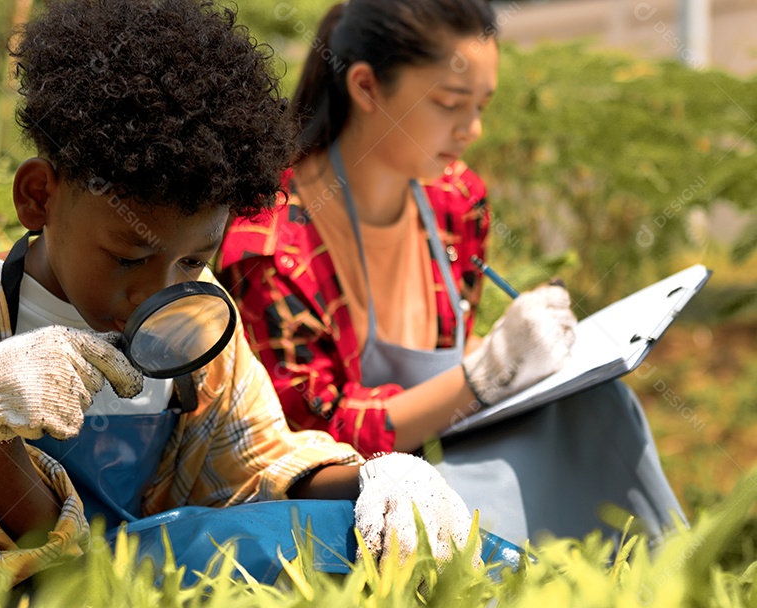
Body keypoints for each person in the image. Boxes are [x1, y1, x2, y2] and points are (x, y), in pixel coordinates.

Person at [0, 0, 482, 595]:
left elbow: (257, 462)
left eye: (193, 259)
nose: (158, 293)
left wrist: (378, 479)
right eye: (127, 258)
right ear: (39, 195)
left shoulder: (195, 318)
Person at [217, 0, 685, 547]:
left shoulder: (456, 199)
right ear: (367, 88)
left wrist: (522, 352)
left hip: (455, 434)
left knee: (599, 404)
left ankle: (668, 570)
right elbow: (309, 444)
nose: (473, 129)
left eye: (482, 105)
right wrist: (484, 375)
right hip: (369, 490)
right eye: (450, 103)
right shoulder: (272, 246)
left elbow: (448, 350)